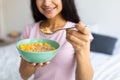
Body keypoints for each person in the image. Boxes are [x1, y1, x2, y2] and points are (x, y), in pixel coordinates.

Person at [19, 0, 94, 80]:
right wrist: (31, 63)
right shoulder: (29, 30)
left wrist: (82, 50)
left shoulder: (77, 33)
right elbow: (24, 76)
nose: (46, 3)